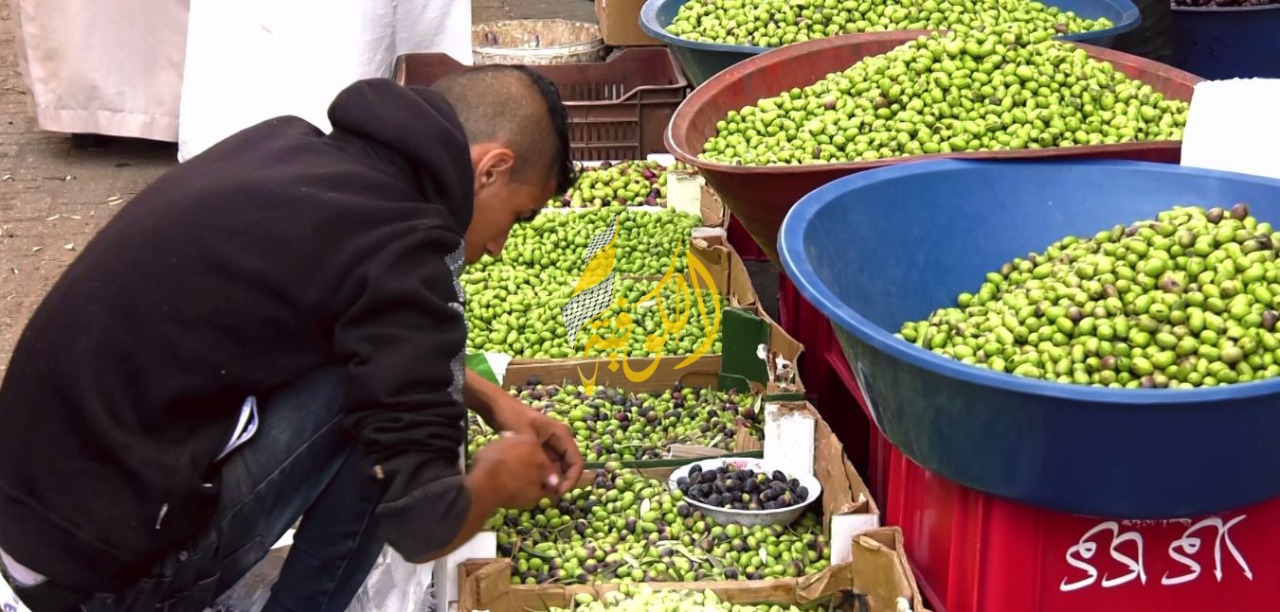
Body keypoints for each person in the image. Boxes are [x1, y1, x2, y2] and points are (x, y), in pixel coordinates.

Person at [0, 66, 582, 612]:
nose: (499, 247)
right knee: (378, 410)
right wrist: (492, 481)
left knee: (383, 374)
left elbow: (353, 319)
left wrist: (489, 398)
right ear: (491, 169)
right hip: (99, 580)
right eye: (518, 217)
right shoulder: (402, 248)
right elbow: (423, 524)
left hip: (31, 527)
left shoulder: (290, 149)